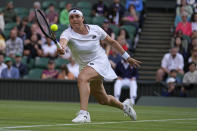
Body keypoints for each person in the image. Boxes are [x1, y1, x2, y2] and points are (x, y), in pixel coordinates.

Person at [57, 8, 141, 123]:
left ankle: (84, 114)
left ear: (82, 18)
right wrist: (61, 49)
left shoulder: (95, 29)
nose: (74, 19)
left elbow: (112, 42)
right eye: (72, 17)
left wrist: (127, 58)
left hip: (100, 61)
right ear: (69, 21)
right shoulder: (67, 33)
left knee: (82, 77)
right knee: (103, 100)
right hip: (86, 66)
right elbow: (63, 44)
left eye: (77, 16)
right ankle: (125, 107)